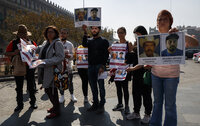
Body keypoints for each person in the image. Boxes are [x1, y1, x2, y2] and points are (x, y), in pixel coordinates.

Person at [149, 10, 198, 126]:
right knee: (156, 103)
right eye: (159, 19)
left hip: (171, 76)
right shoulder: (153, 39)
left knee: (170, 105)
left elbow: (195, 43)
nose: (161, 21)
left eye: (164, 19)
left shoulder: (178, 36)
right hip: (155, 74)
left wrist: (182, 35)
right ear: (156, 23)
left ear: (170, 22)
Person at [5, 24, 37, 112]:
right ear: (18, 34)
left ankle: (33, 102)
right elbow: (6, 53)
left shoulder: (31, 42)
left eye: (24, 34)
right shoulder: (13, 43)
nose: (23, 35)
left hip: (29, 67)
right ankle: (19, 104)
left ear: (27, 34)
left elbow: (36, 54)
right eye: (21, 34)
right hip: (18, 67)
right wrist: (14, 53)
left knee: (31, 86)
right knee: (19, 87)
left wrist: (33, 52)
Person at [126, 26, 152, 124]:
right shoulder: (136, 46)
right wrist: (131, 50)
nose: (136, 36)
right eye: (135, 34)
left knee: (146, 95)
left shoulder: (148, 44)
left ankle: (147, 114)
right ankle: (136, 112)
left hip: (145, 74)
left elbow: (143, 62)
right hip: (136, 75)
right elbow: (133, 59)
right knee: (136, 94)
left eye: (137, 34)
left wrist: (132, 68)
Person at [37, 26, 64, 119]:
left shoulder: (58, 43)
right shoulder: (46, 43)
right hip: (45, 70)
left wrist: (46, 61)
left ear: (55, 33)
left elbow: (60, 57)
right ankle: (55, 107)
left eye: (52, 32)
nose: (49, 33)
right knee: (48, 89)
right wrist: (30, 47)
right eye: (48, 32)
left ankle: (57, 111)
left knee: (52, 90)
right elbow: (39, 49)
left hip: (53, 70)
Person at [82, 25, 109, 113]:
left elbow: (106, 55)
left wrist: (102, 66)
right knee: (93, 87)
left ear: (99, 30)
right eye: (92, 29)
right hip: (90, 66)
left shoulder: (104, 41)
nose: (94, 30)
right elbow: (84, 44)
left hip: (100, 66)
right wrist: (85, 32)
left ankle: (102, 104)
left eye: (96, 28)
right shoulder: (89, 41)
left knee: (101, 87)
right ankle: (95, 103)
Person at [109, 27, 133, 115]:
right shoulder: (115, 44)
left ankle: (127, 106)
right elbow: (113, 56)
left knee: (125, 88)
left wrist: (126, 62)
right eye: (118, 33)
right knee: (118, 87)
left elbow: (131, 56)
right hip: (116, 69)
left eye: (122, 32)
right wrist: (110, 52)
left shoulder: (128, 44)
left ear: (125, 33)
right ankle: (120, 104)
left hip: (125, 69)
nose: (120, 34)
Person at [58, 28, 77, 103]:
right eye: (61, 33)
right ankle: (62, 96)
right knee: (60, 82)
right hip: (59, 67)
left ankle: (72, 95)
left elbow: (73, 55)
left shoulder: (70, 44)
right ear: (59, 34)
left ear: (67, 34)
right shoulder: (56, 43)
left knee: (70, 81)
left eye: (64, 33)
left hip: (68, 66)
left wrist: (70, 56)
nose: (63, 34)